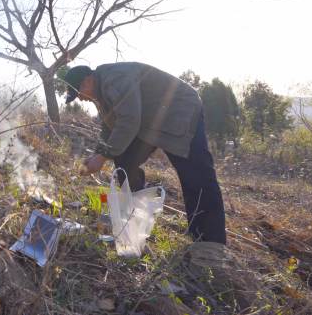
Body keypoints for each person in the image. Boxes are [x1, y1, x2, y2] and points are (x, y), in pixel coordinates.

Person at [63, 63, 226, 245]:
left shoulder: (114, 79)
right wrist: (96, 155)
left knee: (196, 175)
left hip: (179, 109)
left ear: (87, 81)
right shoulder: (101, 92)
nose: (79, 99)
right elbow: (109, 129)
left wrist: (100, 159)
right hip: (150, 121)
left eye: (77, 93)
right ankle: (136, 218)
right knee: (125, 161)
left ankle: (210, 244)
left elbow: (129, 121)